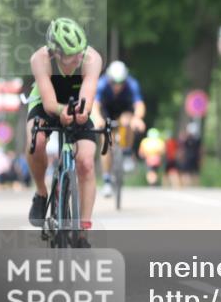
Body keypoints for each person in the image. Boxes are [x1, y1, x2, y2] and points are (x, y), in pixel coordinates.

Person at [24, 17, 103, 247]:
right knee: (36, 140)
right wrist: (61, 111)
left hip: (77, 102)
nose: (78, 58)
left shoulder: (92, 58)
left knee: (86, 162)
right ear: (55, 52)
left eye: (80, 52)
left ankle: (82, 232)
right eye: (71, 55)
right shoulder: (40, 59)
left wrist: (82, 111)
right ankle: (41, 192)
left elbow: (87, 95)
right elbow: (49, 103)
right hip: (47, 102)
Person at [92, 60, 146, 198]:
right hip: (107, 111)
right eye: (114, 82)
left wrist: (138, 118)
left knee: (128, 121)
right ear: (109, 79)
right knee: (106, 139)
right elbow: (95, 105)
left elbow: (139, 105)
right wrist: (98, 119)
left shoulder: (132, 84)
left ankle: (127, 152)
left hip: (124, 110)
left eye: (121, 82)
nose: (117, 86)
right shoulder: (102, 84)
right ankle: (107, 180)